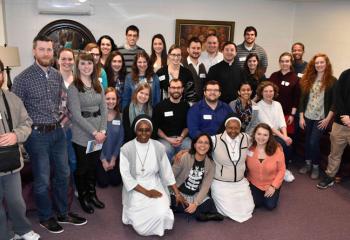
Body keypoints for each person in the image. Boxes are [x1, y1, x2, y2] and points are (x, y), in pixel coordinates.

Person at [12, 35, 86, 234]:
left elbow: (62, 103)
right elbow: (15, 110)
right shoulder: (22, 79)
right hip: (37, 137)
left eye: (49, 49)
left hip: (58, 133)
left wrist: (64, 125)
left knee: (63, 174)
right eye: (42, 49)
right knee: (43, 179)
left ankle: (63, 212)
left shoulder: (56, 75)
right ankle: (45, 216)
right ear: (34, 51)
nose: (46, 53)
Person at [120, 115, 183, 236]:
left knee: (162, 213)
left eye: (147, 130)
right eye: (140, 130)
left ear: (151, 131)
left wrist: (177, 193)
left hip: (154, 183)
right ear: (135, 130)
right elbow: (127, 178)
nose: (144, 133)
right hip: (136, 186)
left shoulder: (159, 147)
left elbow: (167, 171)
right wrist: (147, 192)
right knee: (142, 230)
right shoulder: (126, 149)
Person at [0, 59, 40, 240]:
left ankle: (22, 230)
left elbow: (27, 123)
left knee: (16, 202)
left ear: (2, 75)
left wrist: (16, 135)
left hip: (11, 162)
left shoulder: (13, 99)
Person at [67, 52, 107, 214]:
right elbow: (76, 115)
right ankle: (83, 196)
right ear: (78, 66)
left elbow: (104, 109)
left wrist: (103, 130)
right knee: (83, 167)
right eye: (83, 63)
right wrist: (94, 132)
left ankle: (92, 194)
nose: (86, 67)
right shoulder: (73, 87)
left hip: (99, 134)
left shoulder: (98, 84)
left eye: (89, 63)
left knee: (93, 166)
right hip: (83, 135)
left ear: (94, 65)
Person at [299, 53, 336, 179]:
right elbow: (302, 99)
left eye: (322, 62)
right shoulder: (308, 79)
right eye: (317, 63)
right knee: (308, 142)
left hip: (322, 118)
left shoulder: (332, 81)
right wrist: (301, 116)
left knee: (314, 141)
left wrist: (327, 119)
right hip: (308, 116)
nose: (319, 65)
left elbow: (334, 103)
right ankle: (308, 163)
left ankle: (315, 166)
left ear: (326, 64)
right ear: (313, 65)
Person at [171, 133, 224, 222]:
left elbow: (205, 187)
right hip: (178, 192)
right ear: (194, 144)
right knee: (172, 201)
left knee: (209, 203)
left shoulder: (211, 164)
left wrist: (195, 204)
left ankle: (187, 210)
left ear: (210, 146)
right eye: (200, 142)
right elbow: (170, 177)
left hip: (195, 194)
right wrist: (177, 194)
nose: (203, 145)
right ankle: (200, 214)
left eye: (206, 143)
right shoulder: (184, 157)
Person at [211, 117, 255, 222]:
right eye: (230, 128)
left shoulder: (246, 138)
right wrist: (185, 152)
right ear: (225, 127)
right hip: (221, 183)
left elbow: (260, 142)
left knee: (248, 208)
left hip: (240, 182)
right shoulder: (215, 139)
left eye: (236, 128)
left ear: (240, 128)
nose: (233, 131)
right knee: (228, 211)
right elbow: (200, 146)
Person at [317, 68, 350, 189]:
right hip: (339, 124)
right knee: (334, 154)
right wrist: (345, 117)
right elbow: (337, 97)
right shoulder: (345, 74)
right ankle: (330, 176)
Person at [256, 81, 294, 182]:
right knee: (281, 144)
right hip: (265, 135)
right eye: (266, 91)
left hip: (278, 133)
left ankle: (284, 170)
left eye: (271, 91)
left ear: (274, 92)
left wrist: (286, 136)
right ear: (261, 93)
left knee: (288, 145)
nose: (269, 93)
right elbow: (269, 126)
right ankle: (277, 170)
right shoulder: (258, 106)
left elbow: (282, 122)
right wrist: (284, 138)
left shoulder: (277, 104)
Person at [246, 123, 286, 210]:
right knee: (255, 204)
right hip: (254, 182)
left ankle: (275, 190)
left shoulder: (277, 150)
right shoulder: (249, 149)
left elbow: (282, 170)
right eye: (259, 134)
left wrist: (273, 186)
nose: (261, 137)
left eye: (265, 135)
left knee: (270, 206)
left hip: (271, 183)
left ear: (269, 137)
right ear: (254, 134)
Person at [152, 79, 191, 162]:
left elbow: (187, 126)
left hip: (182, 138)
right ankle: (168, 174)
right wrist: (168, 139)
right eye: (173, 87)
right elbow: (156, 128)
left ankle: (183, 174)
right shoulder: (160, 106)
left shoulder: (186, 106)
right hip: (165, 139)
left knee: (190, 147)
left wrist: (181, 137)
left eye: (178, 87)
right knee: (166, 150)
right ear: (169, 89)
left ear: (182, 89)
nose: (176, 90)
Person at [57, 48, 77, 188]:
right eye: (63, 58)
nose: (67, 62)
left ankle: (77, 187)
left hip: (78, 127)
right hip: (60, 128)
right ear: (58, 60)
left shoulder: (79, 80)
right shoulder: (52, 79)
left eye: (70, 59)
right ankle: (66, 190)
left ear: (74, 61)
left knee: (77, 161)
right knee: (65, 162)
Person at [269, 52, 300, 137]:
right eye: (282, 61)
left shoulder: (295, 79)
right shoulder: (273, 76)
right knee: (271, 137)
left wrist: (292, 115)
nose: (284, 63)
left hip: (286, 114)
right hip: (272, 112)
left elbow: (296, 99)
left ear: (291, 63)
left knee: (285, 138)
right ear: (279, 63)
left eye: (287, 61)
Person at [97, 87, 124, 187]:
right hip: (100, 156)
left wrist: (113, 159)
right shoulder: (97, 116)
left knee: (116, 181)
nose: (111, 101)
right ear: (103, 99)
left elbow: (121, 139)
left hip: (114, 156)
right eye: (108, 98)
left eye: (113, 99)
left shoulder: (120, 116)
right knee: (103, 183)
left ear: (117, 101)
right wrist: (103, 160)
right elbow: (95, 141)